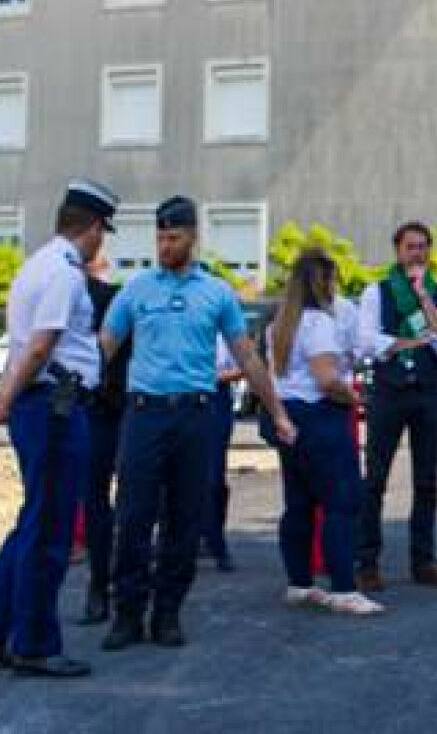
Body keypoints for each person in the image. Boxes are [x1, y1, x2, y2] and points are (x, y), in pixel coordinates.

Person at [99, 195, 297, 651]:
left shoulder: (216, 293)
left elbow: (246, 355)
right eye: (160, 237)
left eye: (174, 237)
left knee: (184, 519)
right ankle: (127, 613)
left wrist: (278, 411)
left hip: (195, 416)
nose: (165, 246)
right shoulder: (135, 290)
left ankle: (168, 613)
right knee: (132, 517)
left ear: (193, 237)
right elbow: (104, 346)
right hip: (144, 416)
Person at [0, 179, 119, 677]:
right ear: (92, 229)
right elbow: (42, 345)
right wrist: (5, 401)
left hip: (43, 405)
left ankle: (11, 629)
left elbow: (22, 346)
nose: (102, 244)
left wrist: (8, 398)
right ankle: (34, 643)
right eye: (102, 233)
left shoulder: (35, 266)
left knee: (32, 524)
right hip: (56, 408)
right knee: (49, 531)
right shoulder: (65, 275)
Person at [264, 249, 383, 615]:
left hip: (288, 414)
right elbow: (327, 379)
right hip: (320, 416)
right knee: (342, 503)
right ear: (323, 282)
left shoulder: (279, 324)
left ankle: (300, 583)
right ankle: (345, 588)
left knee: (299, 503)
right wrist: (354, 399)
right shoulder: (318, 323)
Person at [356, 221, 437, 591]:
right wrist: (406, 344)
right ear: (397, 251)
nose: (418, 253)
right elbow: (365, 341)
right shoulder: (375, 291)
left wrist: (423, 296)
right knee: (376, 478)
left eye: (423, 247)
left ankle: (422, 560)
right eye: (411, 247)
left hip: (427, 391)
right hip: (388, 390)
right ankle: (367, 561)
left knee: (427, 479)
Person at [79, 251, 132, 625]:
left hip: (108, 408)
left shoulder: (112, 297)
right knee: (105, 500)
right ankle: (103, 584)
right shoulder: (110, 295)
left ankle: (103, 586)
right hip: (106, 408)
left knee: (100, 499)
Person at [200, 334, 242, 573]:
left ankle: (215, 540)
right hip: (183, 393)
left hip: (215, 394)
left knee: (214, 476)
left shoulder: (222, 329)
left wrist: (213, 377)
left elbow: (242, 366)